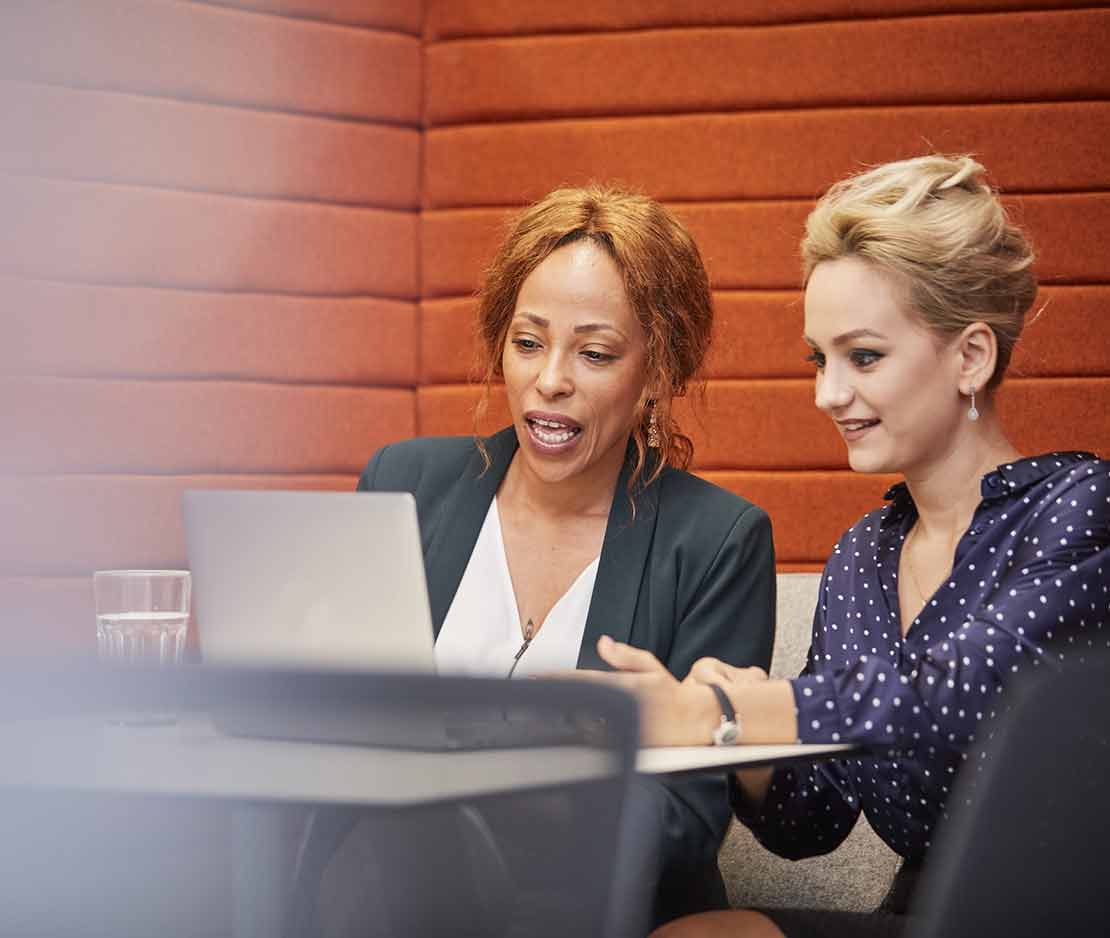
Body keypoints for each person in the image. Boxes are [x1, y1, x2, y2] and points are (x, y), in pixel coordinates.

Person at [588, 155, 1110, 938]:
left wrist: (723, 712)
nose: (828, 393)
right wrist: (731, 725)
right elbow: (814, 818)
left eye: (862, 356)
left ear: (971, 357)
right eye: (819, 359)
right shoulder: (865, 555)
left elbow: (953, 699)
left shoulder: (1081, 509)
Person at [301, 184, 776, 934]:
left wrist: (509, 790)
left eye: (593, 352)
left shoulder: (717, 538)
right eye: (528, 342)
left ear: (656, 373)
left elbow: (686, 825)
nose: (550, 378)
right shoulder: (406, 483)